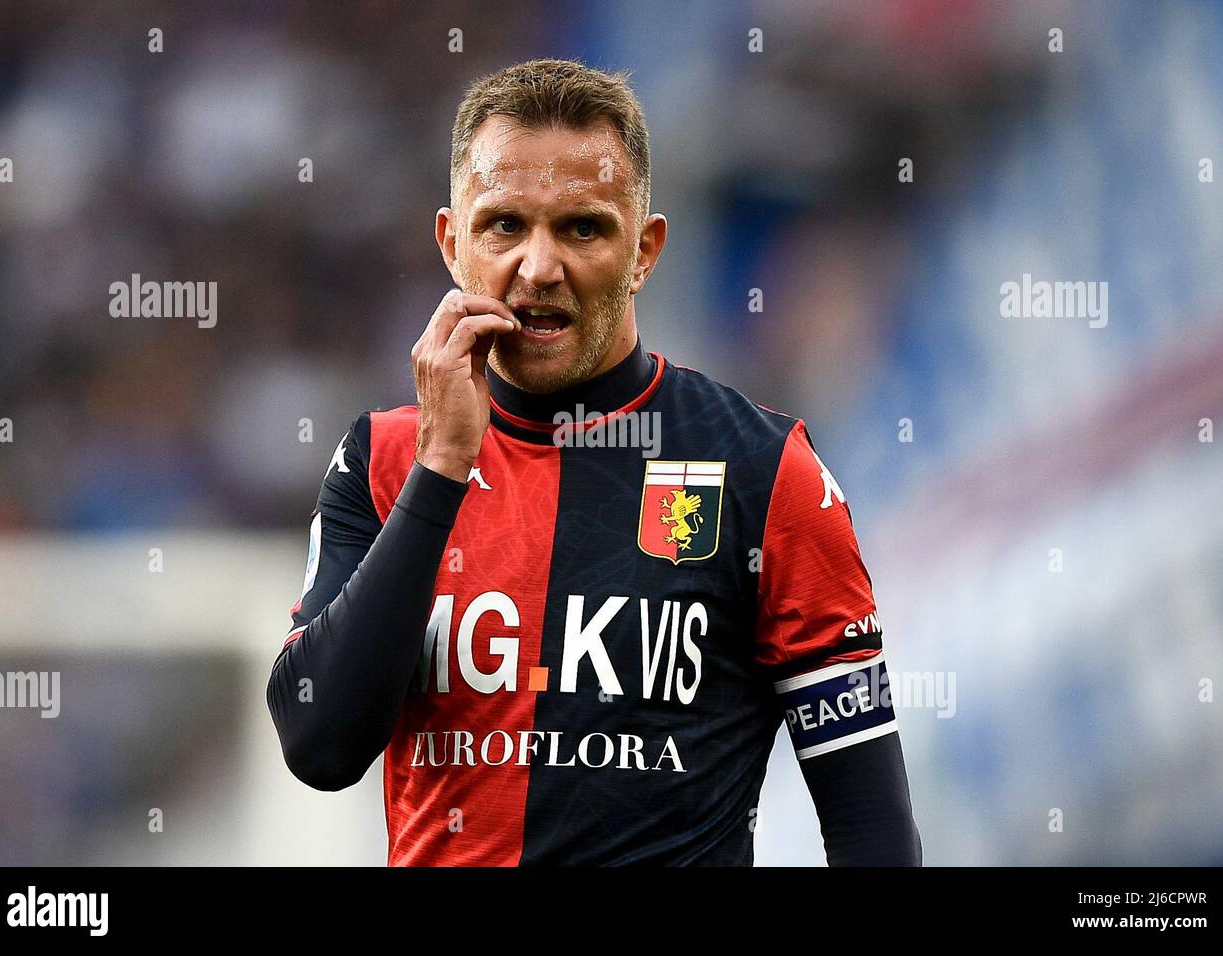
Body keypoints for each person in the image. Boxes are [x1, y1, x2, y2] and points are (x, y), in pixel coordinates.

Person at [267, 58, 921, 866]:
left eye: (581, 227)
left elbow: (872, 828)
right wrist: (442, 469)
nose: (538, 268)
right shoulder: (384, 458)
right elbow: (318, 747)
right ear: (451, 242)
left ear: (645, 251)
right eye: (504, 225)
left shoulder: (764, 472)